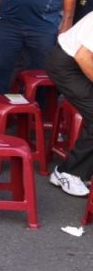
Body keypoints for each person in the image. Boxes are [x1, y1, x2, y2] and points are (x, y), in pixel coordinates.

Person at [44, 11, 93, 196]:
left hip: (81, 63)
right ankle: (68, 172)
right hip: (67, 64)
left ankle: (83, 171)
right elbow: (83, 56)